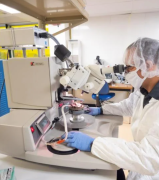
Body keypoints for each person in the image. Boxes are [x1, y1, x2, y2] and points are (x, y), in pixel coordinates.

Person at [62, 38, 159, 180]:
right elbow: (128, 107)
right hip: (138, 168)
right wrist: (100, 110)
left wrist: (93, 144)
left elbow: (150, 157)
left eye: (129, 68)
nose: (125, 73)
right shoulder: (143, 90)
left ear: (148, 65)